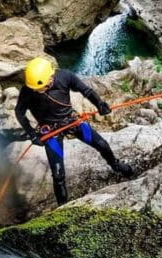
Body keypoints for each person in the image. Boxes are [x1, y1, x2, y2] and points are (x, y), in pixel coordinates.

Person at [15, 57, 133, 205]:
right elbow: (19, 112)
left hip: (71, 121)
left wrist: (100, 104)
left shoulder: (64, 76)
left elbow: (86, 91)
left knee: (102, 144)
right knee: (58, 176)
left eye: (41, 87)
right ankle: (62, 208)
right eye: (36, 89)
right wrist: (32, 134)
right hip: (50, 131)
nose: (38, 91)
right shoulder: (28, 90)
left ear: (50, 77)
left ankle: (116, 165)